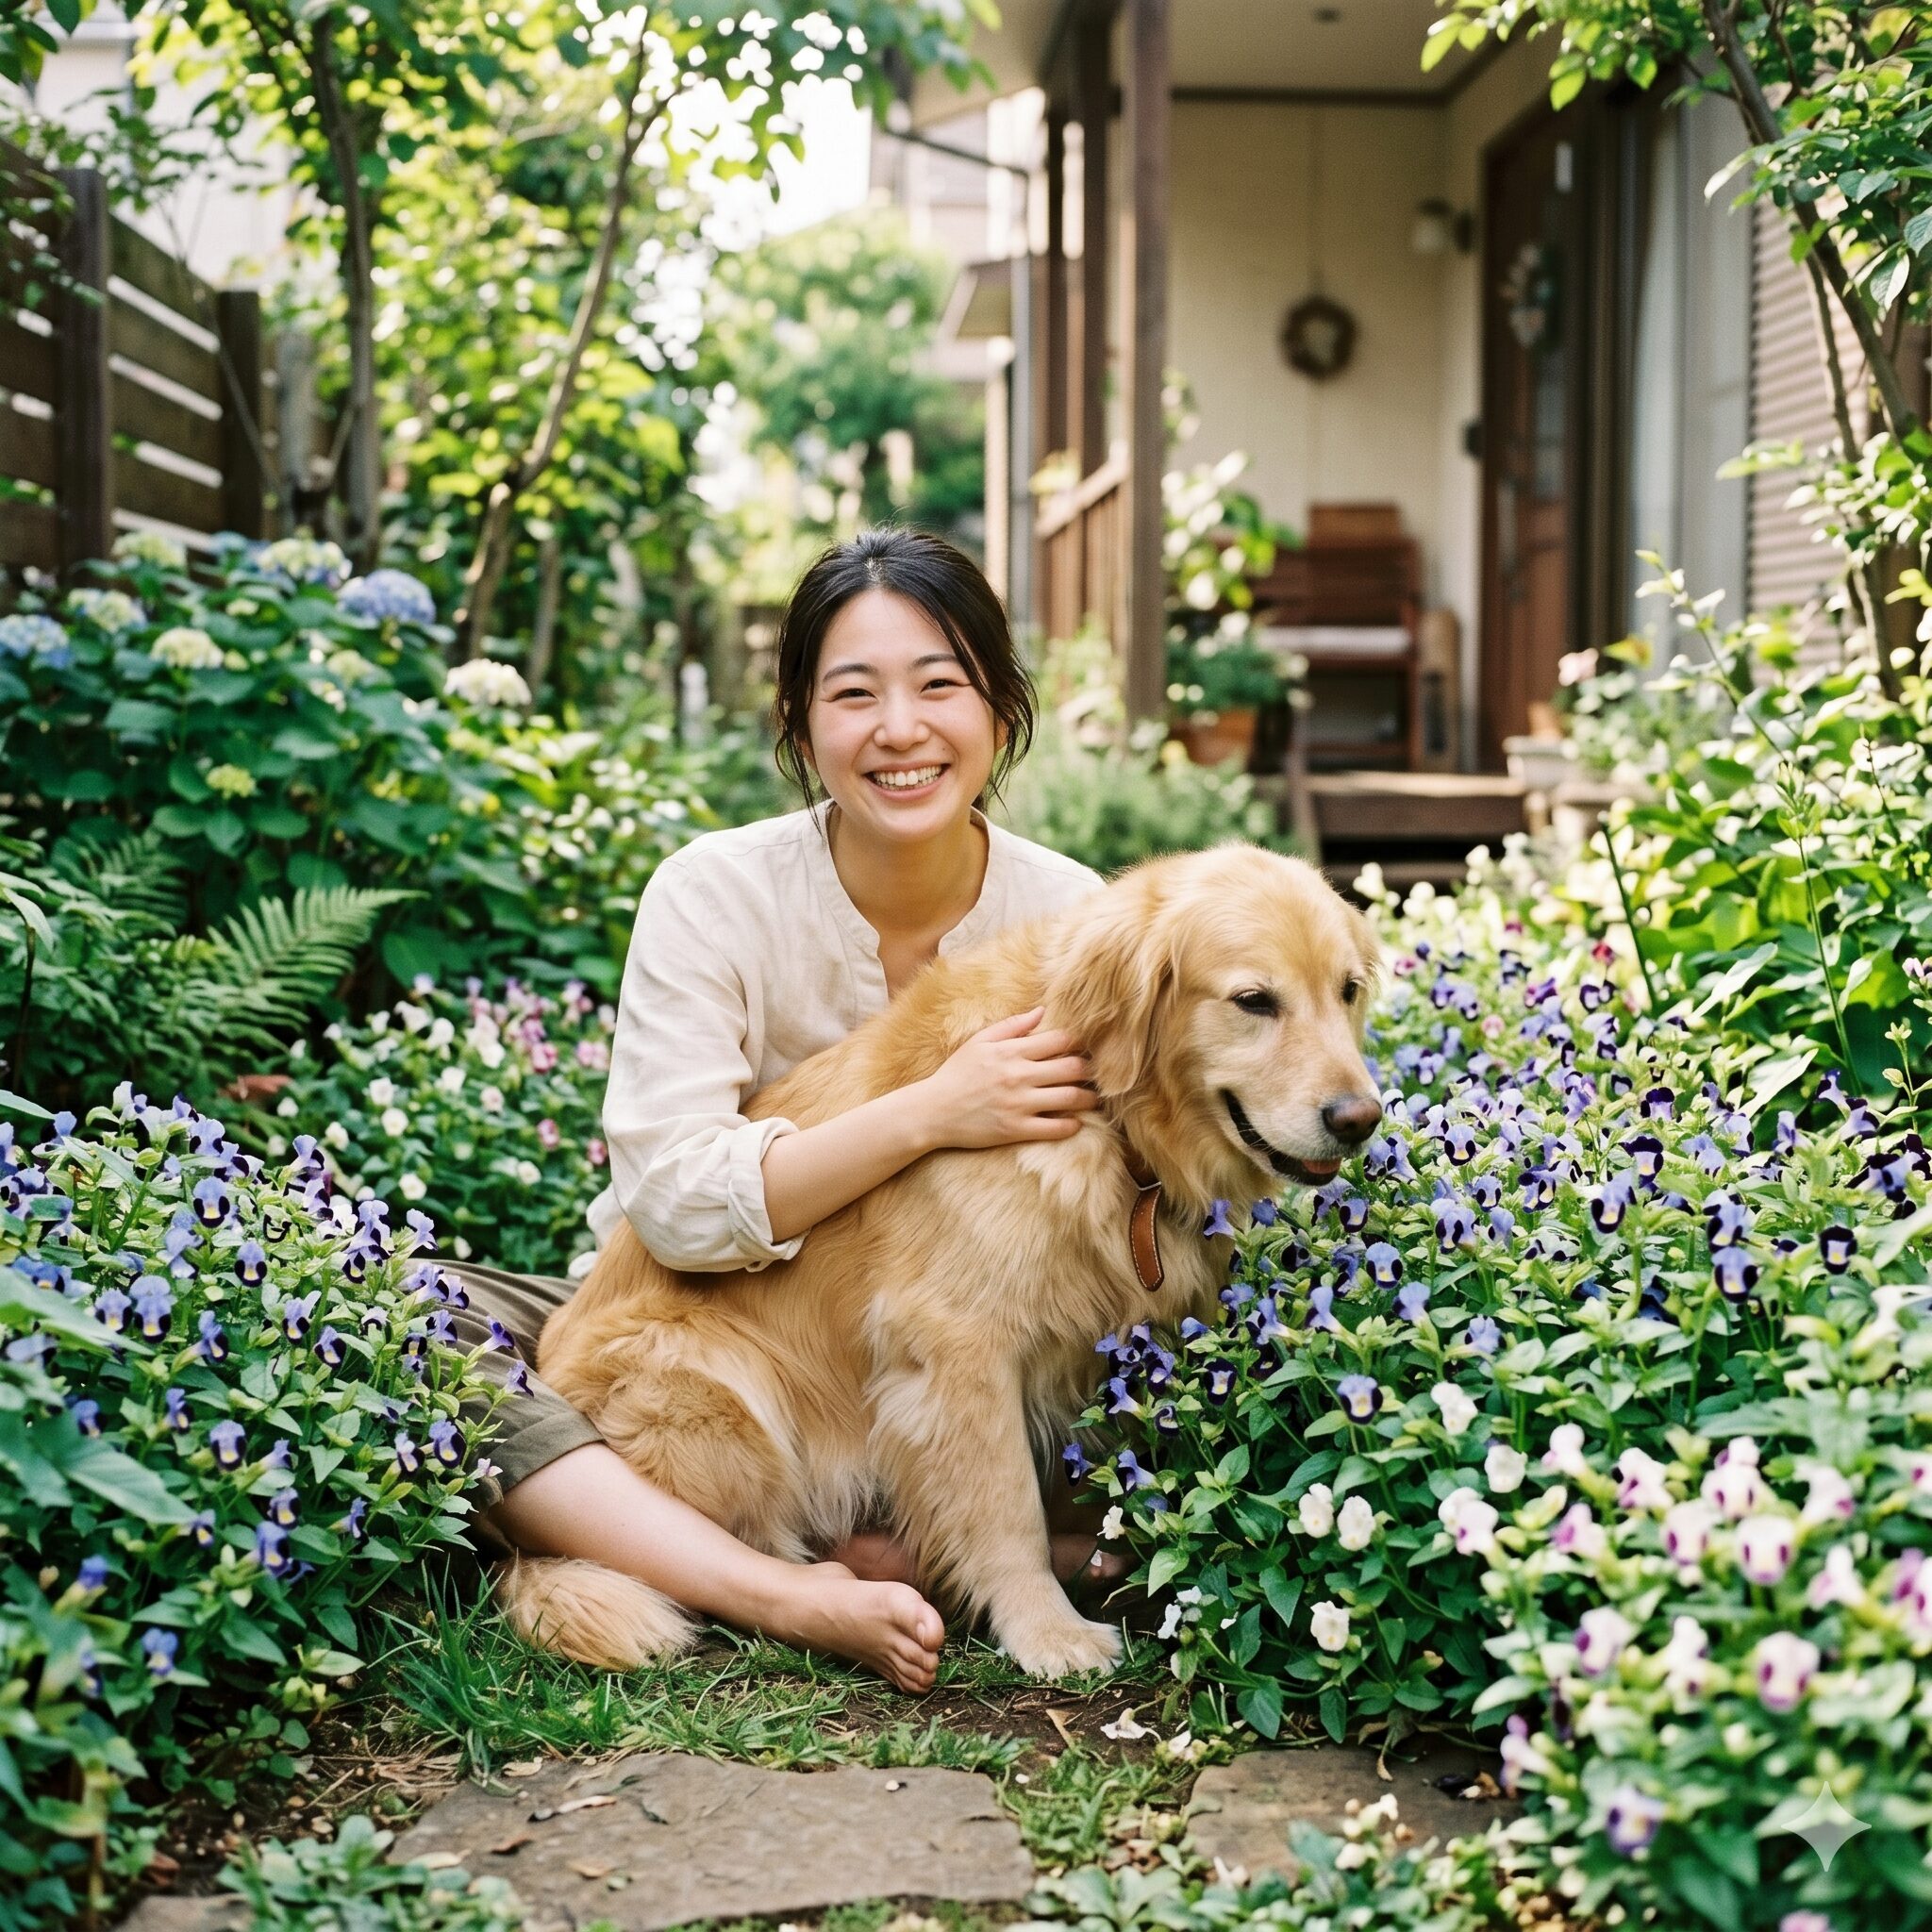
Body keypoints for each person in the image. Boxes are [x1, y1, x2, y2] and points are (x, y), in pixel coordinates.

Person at [449, 528, 1112, 1692]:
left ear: (1001, 713)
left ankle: (860, 1540)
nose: (898, 729)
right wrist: (930, 1110)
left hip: (980, 1359)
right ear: (801, 728)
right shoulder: (713, 892)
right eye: (852, 694)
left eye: (940, 684)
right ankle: (784, 1585)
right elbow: (673, 1208)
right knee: (410, 1318)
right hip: (716, 1331)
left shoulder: (1071, 917)